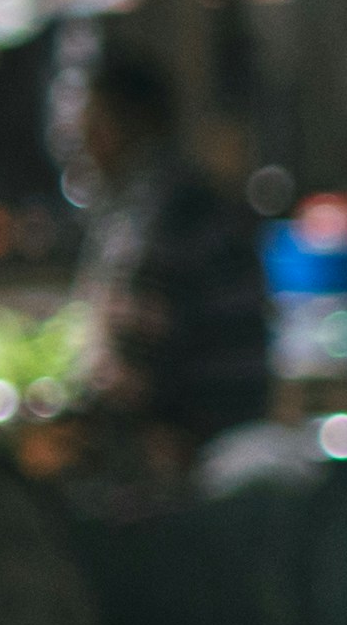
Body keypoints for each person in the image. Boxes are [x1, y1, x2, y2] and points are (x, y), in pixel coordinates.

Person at [69, 50, 270, 457]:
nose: (86, 142)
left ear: (135, 122)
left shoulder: (155, 208)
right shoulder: (183, 192)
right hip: (230, 427)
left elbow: (130, 365)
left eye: (96, 123)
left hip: (194, 439)